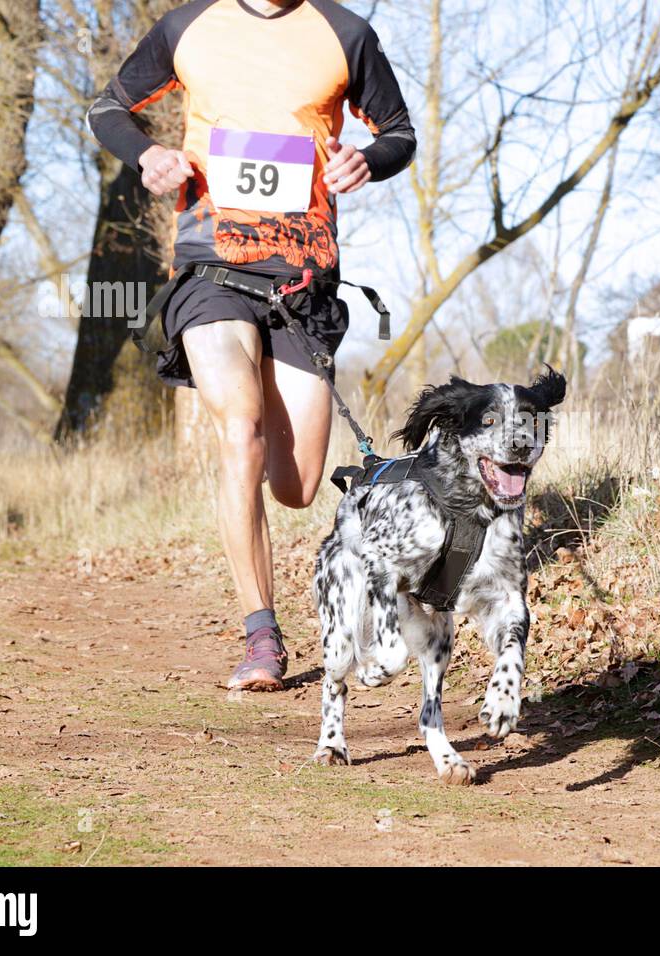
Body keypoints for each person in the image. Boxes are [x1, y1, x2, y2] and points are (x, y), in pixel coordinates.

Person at [86, 0, 416, 690]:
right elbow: (106, 108)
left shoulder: (345, 33)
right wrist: (148, 154)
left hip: (304, 280)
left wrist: (368, 159)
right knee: (241, 431)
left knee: (294, 487)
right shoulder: (187, 26)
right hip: (212, 269)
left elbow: (400, 132)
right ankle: (261, 635)